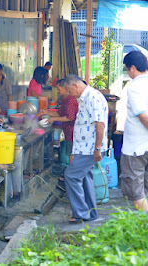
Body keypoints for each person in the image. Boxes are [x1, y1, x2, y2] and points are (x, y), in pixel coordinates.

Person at [63, 74, 108, 223]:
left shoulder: (93, 97)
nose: (70, 94)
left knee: (71, 175)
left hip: (89, 148)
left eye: (70, 91)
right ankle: (90, 213)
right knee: (85, 177)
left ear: (75, 86)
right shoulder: (83, 98)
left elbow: (99, 124)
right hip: (83, 147)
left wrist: (97, 148)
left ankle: (81, 213)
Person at [120, 51, 148, 211]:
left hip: (136, 149)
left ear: (132, 68)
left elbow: (143, 116)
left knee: (136, 193)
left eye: (127, 69)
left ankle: (143, 231)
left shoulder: (135, 86)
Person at [41, 79, 78, 187]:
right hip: (68, 132)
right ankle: (71, 178)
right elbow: (59, 112)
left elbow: (70, 117)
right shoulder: (65, 99)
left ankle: (71, 180)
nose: (58, 91)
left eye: (59, 88)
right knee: (70, 153)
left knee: (71, 154)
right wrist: (47, 112)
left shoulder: (71, 99)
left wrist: (53, 119)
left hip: (72, 132)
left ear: (66, 87)